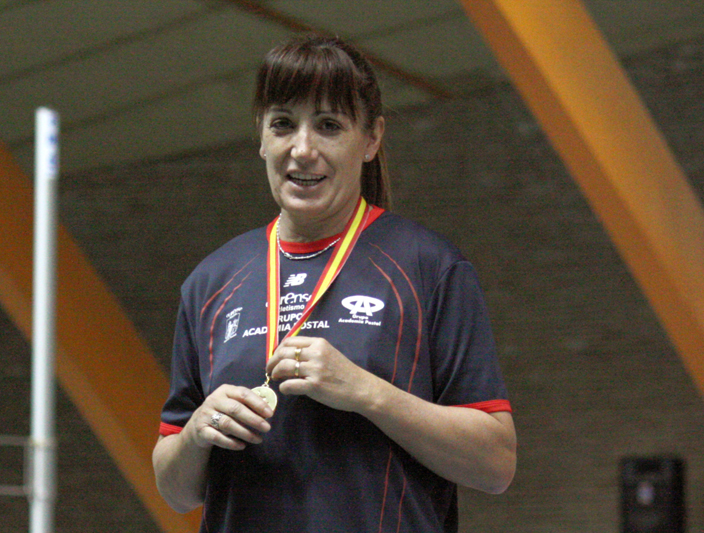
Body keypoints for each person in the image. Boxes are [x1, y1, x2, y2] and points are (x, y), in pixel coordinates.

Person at [153, 34, 516, 532]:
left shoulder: (429, 267)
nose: (302, 150)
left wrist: (366, 392)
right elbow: (175, 490)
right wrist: (198, 431)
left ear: (371, 139)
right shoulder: (211, 282)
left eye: (329, 126)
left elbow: (496, 463)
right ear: (261, 137)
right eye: (283, 124)